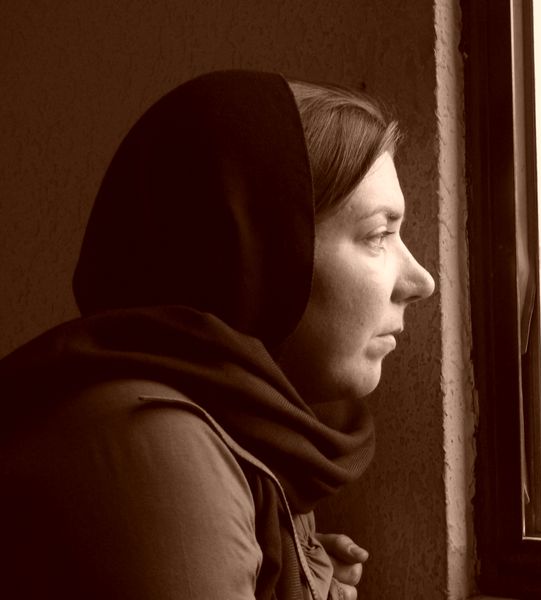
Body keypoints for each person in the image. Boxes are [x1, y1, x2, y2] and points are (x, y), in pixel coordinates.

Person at [0, 70, 434, 599]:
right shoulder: (158, 444)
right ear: (259, 252)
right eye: (379, 235)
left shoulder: (254, 435)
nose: (420, 282)